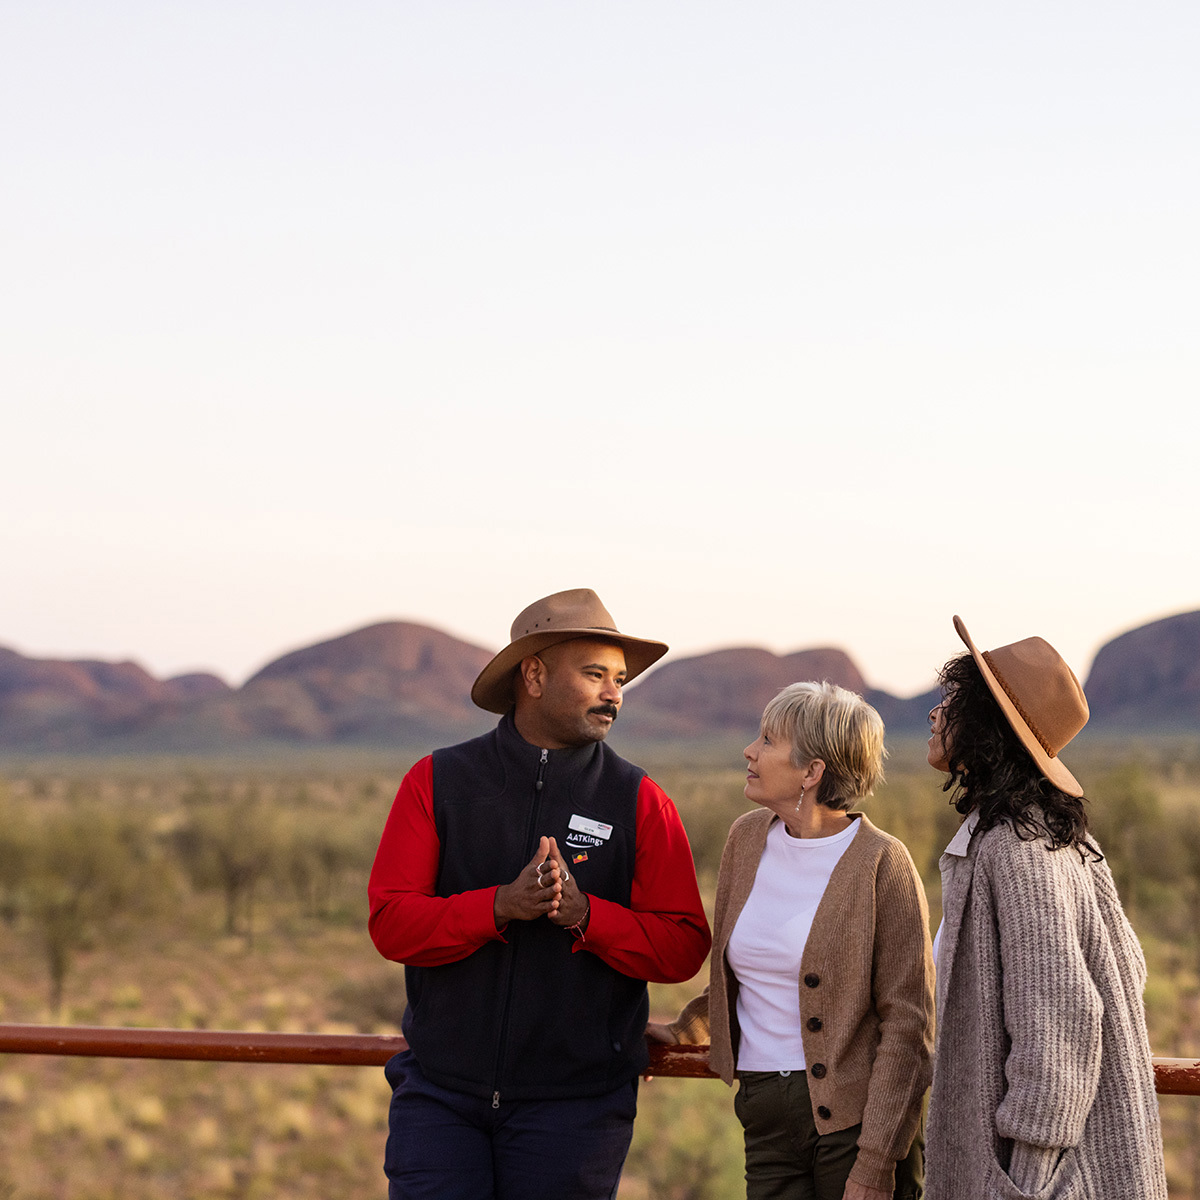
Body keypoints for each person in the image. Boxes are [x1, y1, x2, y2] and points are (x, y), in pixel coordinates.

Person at [368, 588, 712, 1200]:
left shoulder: (640, 800)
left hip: (577, 1112)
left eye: (620, 679)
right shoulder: (438, 781)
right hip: (440, 1100)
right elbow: (392, 923)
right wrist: (498, 905)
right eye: (594, 675)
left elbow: (684, 947)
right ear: (534, 674)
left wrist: (587, 917)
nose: (614, 694)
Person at [649, 681, 935, 1200]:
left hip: (854, 1125)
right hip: (765, 1117)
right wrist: (688, 1027)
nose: (749, 751)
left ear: (812, 771)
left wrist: (875, 1163)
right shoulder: (746, 839)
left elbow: (908, 1024)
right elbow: (750, 975)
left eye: (767, 740)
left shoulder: (882, 863)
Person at [923, 616, 1167, 1200]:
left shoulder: (1018, 847)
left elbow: (1060, 1026)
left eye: (952, 701)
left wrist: (1026, 1178)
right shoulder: (1052, 835)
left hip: (1037, 1179)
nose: (934, 714)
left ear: (987, 726)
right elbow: (1127, 967)